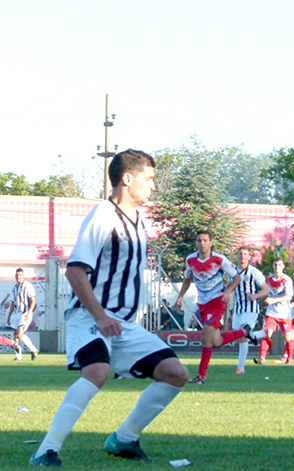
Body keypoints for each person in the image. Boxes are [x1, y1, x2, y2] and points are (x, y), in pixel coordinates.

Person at [29, 149, 190, 467]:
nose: (153, 186)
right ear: (127, 179)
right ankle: (46, 451)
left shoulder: (139, 220)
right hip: (90, 316)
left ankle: (124, 439)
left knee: (175, 374)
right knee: (97, 371)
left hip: (122, 323)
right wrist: (101, 316)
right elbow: (75, 271)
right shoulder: (103, 215)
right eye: (149, 179)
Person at [175, 231, 254, 384]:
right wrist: (180, 296)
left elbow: (237, 277)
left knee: (206, 335)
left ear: (210, 243)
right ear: (196, 243)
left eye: (205, 240)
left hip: (217, 301)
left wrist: (228, 292)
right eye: (199, 240)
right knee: (215, 341)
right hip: (203, 303)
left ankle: (201, 376)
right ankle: (245, 332)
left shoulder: (219, 259)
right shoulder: (190, 260)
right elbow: (187, 278)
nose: (202, 243)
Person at [230, 246, 269, 375]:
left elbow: (265, 290)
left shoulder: (254, 272)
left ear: (249, 257)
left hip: (250, 308)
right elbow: (228, 287)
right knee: (239, 336)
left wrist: (254, 296)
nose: (242, 256)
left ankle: (240, 368)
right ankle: (262, 334)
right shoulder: (232, 271)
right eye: (240, 253)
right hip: (237, 308)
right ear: (237, 256)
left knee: (242, 333)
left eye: (245, 254)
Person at [254, 258, 294, 364]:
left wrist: (274, 300)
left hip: (285, 313)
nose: (277, 267)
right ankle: (262, 358)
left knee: (287, 336)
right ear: (273, 266)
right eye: (275, 265)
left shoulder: (287, 280)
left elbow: (289, 297)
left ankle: (289, 358)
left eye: (279, 265)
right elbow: (265, 291)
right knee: (267, 333)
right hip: (271, 312)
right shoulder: (269, 279)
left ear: (283, 266)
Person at [5, 268, 39, 361]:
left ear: (23, 276)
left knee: (19, 334)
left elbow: (33, 300)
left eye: (20, 275)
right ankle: (19, 356)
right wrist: (9, 316)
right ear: (15, 276)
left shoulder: (28, 286)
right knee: (15, 335)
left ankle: (33, 349)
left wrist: (29, 312)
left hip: (25, 313)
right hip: (16, 314)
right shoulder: (14, 288)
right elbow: (12, 303)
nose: (18, 277)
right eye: (17, 275)